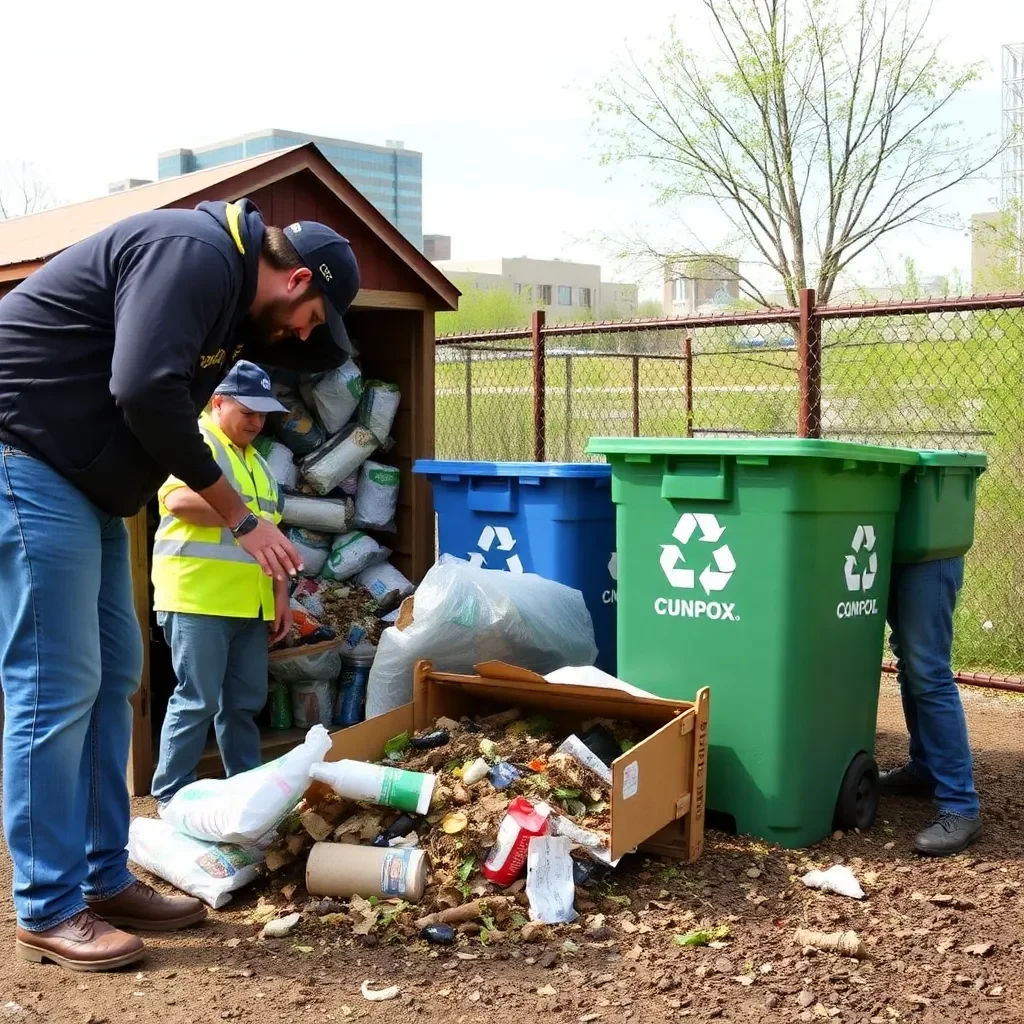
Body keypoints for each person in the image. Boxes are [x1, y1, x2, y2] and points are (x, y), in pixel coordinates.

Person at [0, 199, 359, 971]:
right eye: (312, 317)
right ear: (295, 277)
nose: (304, 335)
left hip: (85, 486)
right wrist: (241, 518)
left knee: (110, 681)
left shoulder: (227, 302)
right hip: (25, 457)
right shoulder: (191, 252)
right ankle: (46, 904)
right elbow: (140, 388)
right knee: (54, 685)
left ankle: (100, 878)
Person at [150, 361, 294, 806]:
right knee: (196, 701)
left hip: (248, 605)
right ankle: (170, 797)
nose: (256, 421)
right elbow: (175, 500)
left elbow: (270, 532)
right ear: (217, 402)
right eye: (247, 410)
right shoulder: (201, 443)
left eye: (263, 413)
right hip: (199, 598)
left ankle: (246, 795)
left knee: (243, 704)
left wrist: (280, 595)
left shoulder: (257, 461)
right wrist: (242, 518)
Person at [881, 556, 982, 856]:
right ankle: (924, 769)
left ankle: (961, 806)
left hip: (930, 552)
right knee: (910, 664)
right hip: (889, 542)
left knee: (930, 671)